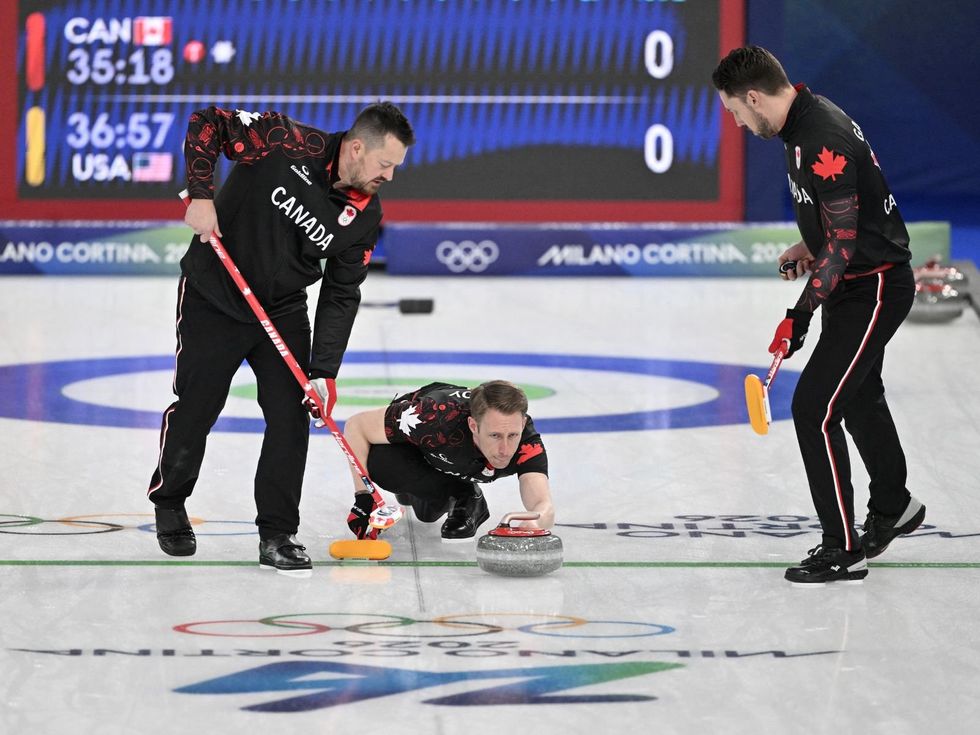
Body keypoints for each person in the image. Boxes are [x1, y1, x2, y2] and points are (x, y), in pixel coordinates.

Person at [147, 102, 415, 576]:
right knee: (198, 406)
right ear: (356, 148)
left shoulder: (364, 215)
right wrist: (203, 194)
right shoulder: (283, 141)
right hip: (214, 293)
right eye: (385, 164)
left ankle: (277, 533)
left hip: (283, 310)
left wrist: (324, 371)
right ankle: (170, 501)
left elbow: (341, 292)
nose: (389, 176)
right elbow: (206, 122)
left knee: (292, 418)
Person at [712, 46, 924, 585]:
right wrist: (805, 245)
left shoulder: (818, 136)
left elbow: (847, 244)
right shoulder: (802, 122)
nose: (737, 122)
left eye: (735, 111)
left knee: (814, 409)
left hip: (872, 287)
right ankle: (894, 505)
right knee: (857, 398)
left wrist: (799, 314)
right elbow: (840, 217)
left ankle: (842, 547)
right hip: (857, 282)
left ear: (754, 97)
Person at [341, 381, 555, 542]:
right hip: (420, 451)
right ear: (473, 425)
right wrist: (363, 496)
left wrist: (534, 523)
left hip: (449, 462)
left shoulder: (527, 441)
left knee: (426, 514)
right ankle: (462, 494)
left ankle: (458, 495)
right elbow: (356, 426)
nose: (505, 450)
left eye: (512, 436)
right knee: (383, 463)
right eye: (495, 436)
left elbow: (542, 503)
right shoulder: (433, 416)